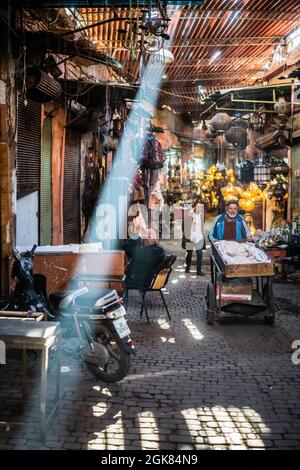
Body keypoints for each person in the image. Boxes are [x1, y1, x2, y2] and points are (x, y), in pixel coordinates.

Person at [182, 201, 205, 276]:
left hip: (199, 237)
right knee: (189, 253)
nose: (199, 208)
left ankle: (199, 271)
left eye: (201, 207)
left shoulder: (202, 215)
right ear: (194, 206)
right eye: (198, 206)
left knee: (200, 254)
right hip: (190, 237)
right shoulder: (190, 214)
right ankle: (187, 268)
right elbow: (183, 225)